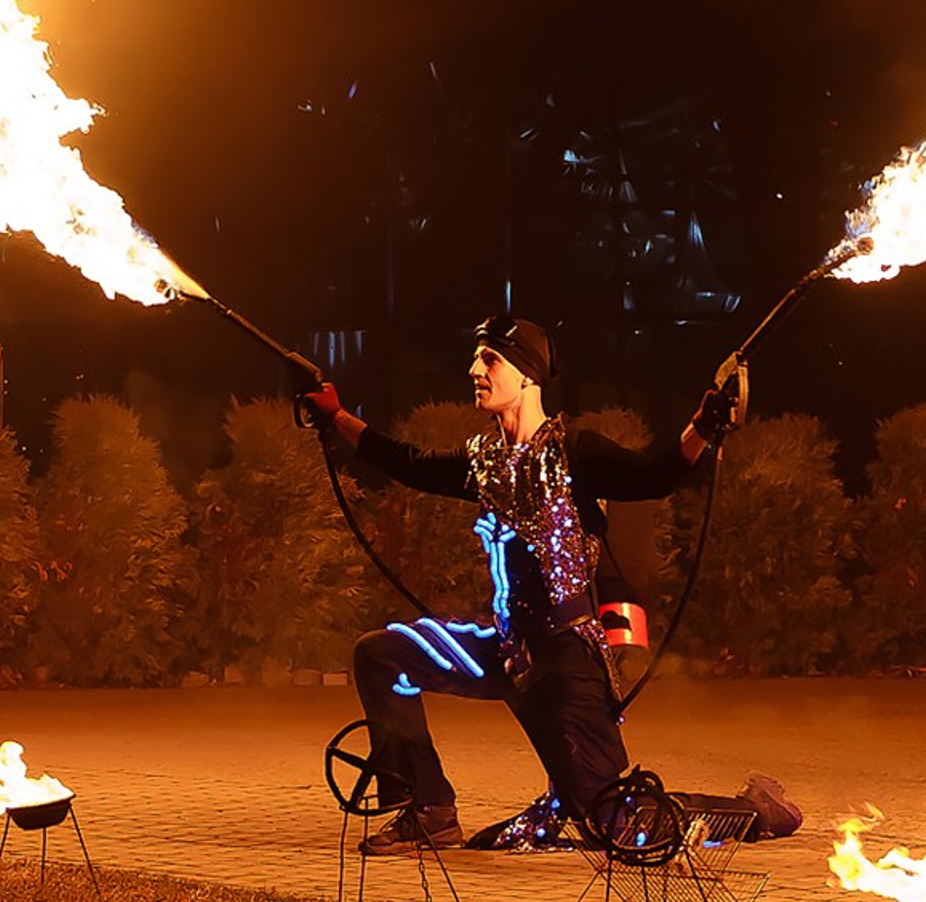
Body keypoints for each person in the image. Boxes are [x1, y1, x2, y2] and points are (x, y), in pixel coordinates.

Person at [300, 313, 800, 854]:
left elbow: (654, 476)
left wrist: (703, 426)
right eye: (476, 357)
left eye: (489, 358)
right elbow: (409, 463)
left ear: (528, 375)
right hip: (506, 649)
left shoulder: (575, 452)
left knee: (617, 823)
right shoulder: (484, 461)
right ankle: (429, 811)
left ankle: (756, 811)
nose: (474, 368)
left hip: (564, 663)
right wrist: (336, 417)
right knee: (382, 655)